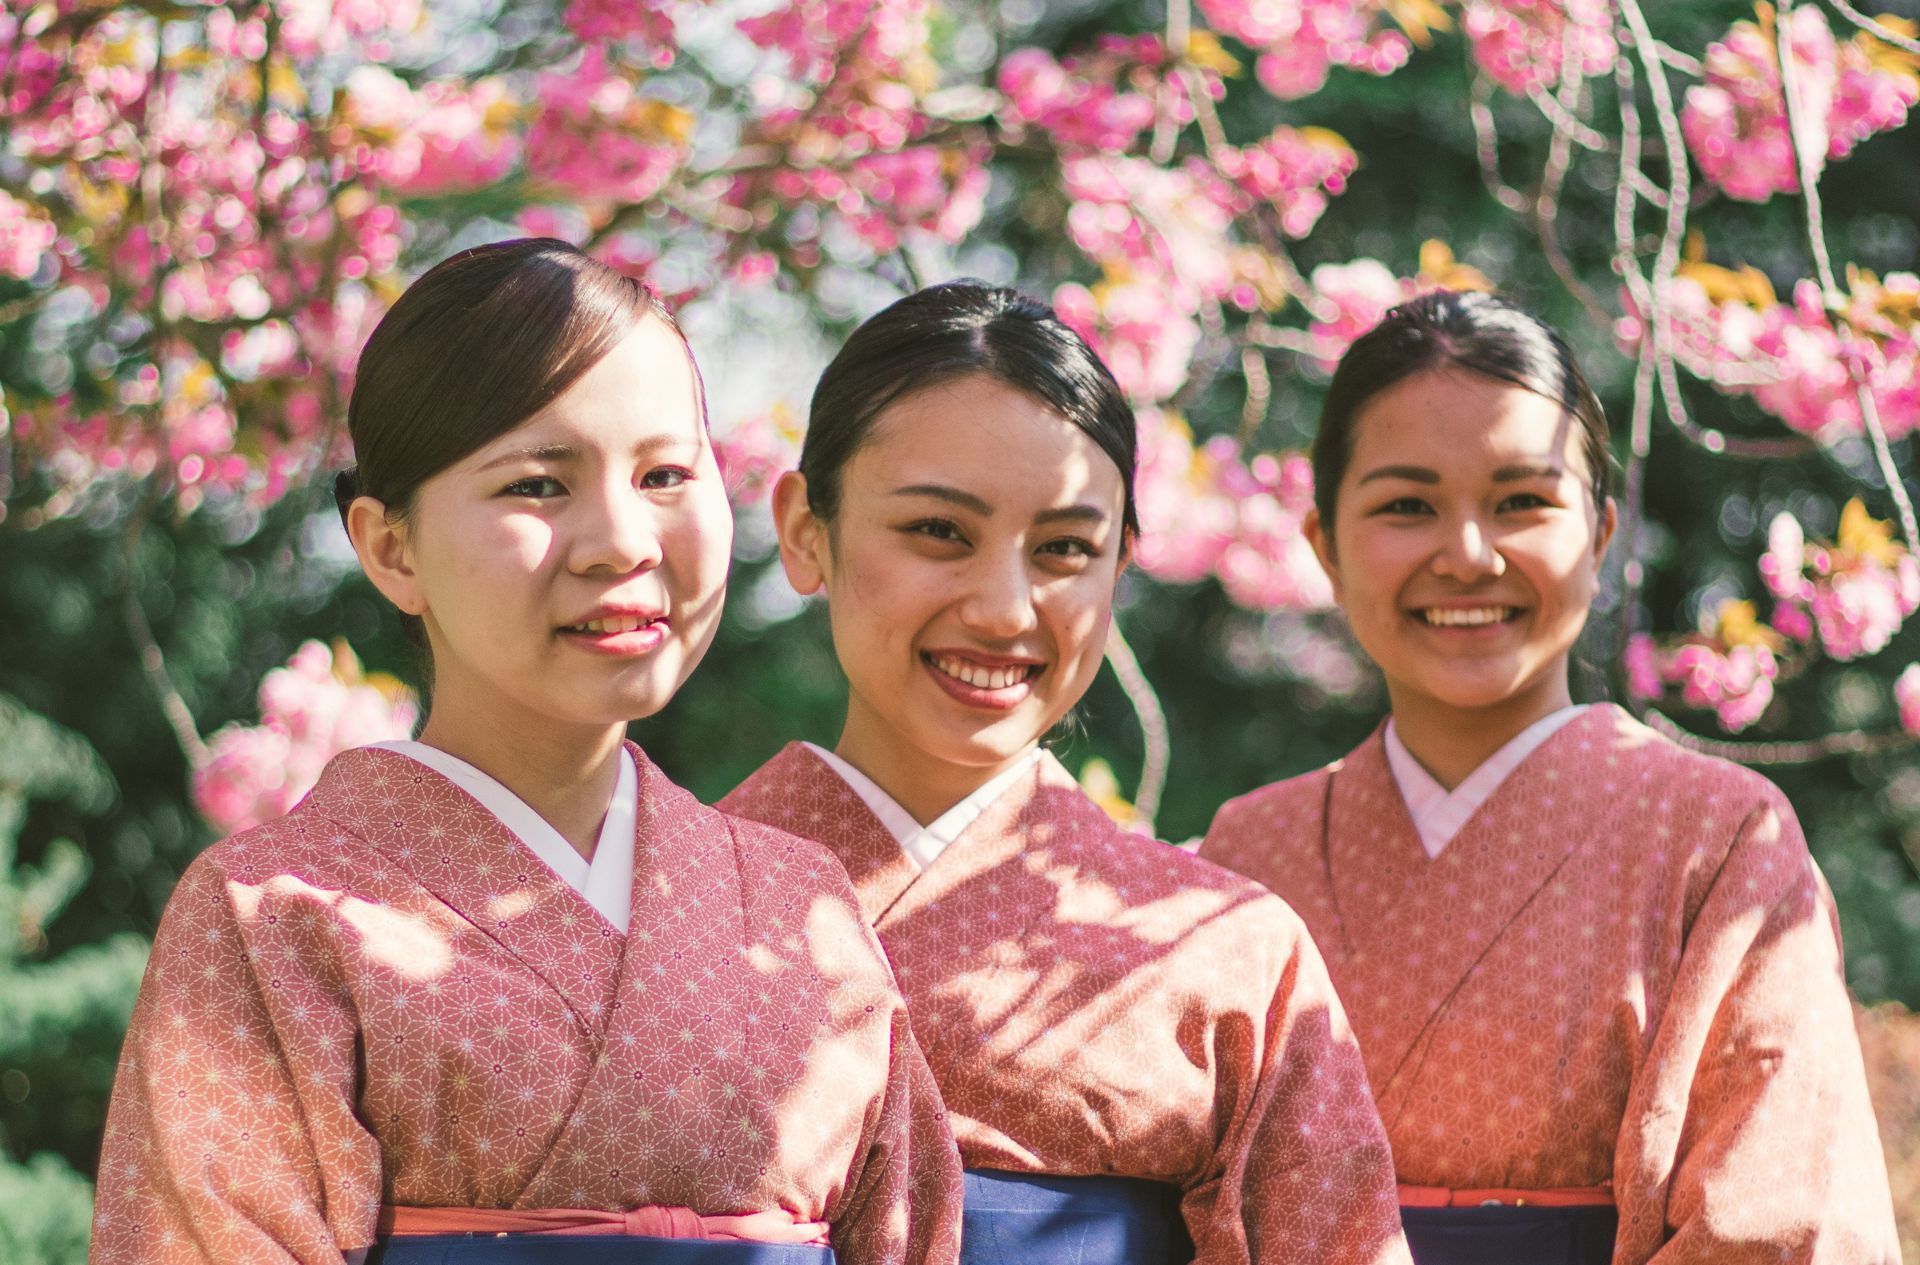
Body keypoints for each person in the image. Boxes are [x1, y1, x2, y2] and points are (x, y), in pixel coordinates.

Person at [90, 239, 963, 1265]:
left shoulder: (802, 902)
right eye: (539, 484)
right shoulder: (273, 911)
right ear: (390, 547)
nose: (622, 539)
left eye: (667, 473)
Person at [719, 281, 1412, 1265]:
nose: (1006, 608)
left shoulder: (1231, 953)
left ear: (1119, 565)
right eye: (938, 531)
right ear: (804, 529)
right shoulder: (660, 908)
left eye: (1064, 549)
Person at [1200, 290, 1900, 1264]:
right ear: (1323, 543)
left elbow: (1783, 1221)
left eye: (1523, 501)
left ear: (1601, 533)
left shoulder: (1721, 838)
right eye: (1407, 505)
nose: (1469, 555)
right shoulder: (1243, 851)